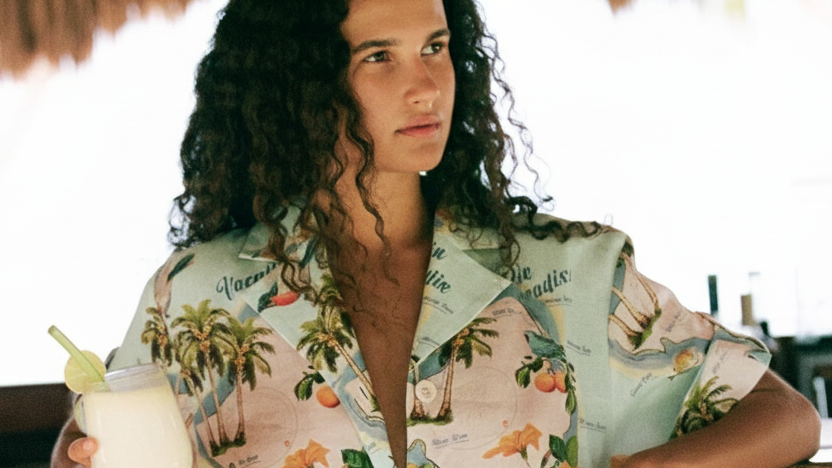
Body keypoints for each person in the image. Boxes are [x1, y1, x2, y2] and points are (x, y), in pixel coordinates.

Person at [53, 0, 821, 467]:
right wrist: (74, 456)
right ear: (298, 84)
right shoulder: (191, 295)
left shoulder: (574, 270)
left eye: (436, 46)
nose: (425, 84)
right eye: (378, 57)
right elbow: (98, 446)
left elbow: (787, 417)